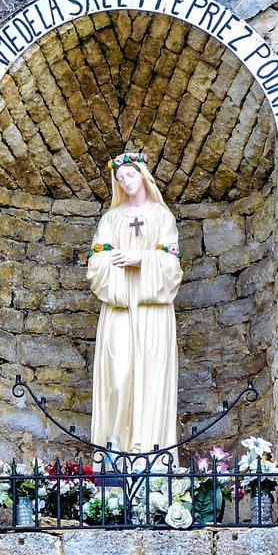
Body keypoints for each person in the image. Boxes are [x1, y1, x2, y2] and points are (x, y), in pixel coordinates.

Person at [86, 151, 181, 465]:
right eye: (120, 178)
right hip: (119, 311)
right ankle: (115, 455)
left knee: (151, 377)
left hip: (153, 314)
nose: (126, 182)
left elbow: (172, 265)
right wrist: (119, 265)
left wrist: (140, 259)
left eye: (130, 174)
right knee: (118, 376)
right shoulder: (111, 219)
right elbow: (97, 264)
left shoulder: (162, 217)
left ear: (143, 175)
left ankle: (150, 458)